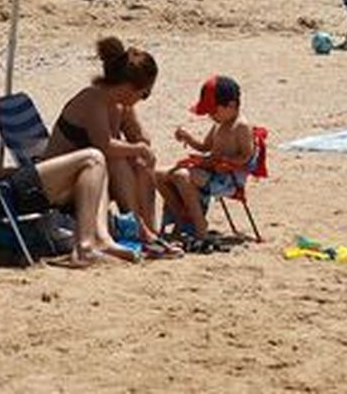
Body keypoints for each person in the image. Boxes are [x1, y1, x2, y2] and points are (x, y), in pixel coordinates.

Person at [0, 31, 137, 267]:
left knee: (95, 165)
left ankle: (100, 239)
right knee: (93, 158)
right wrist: (10, 172)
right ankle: (86, 245)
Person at [42, 38, 179, 257]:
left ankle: (149, 232)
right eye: (144, 93)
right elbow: (104, 146)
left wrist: (135, 131)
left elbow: (141, 139)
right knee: (117, 160)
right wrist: (138, 148)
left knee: (140, 161)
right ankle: (141, 231)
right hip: (58, 186)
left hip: (89, 182)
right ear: (128, 88)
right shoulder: (93, 99)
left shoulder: (117, 104)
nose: (143, 99)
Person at [161, 75, 256, 244]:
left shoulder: (241, 126)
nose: (211, 116)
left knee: (181, 176)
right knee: (158, 174)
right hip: (211, 171)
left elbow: (246, 156)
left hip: (227, 180)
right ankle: (182, 218)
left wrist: (224, 162)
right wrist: (188, 138)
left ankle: (199, 225)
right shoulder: (219, 123)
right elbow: (205, 147)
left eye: (213, 111)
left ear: (231, 105)